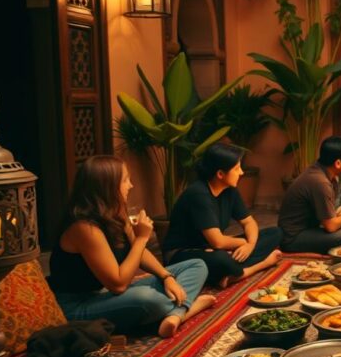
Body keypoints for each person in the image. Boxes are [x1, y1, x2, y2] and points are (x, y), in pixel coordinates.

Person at [48, 156, 214, 339]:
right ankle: (186, 309)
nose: (131, 185)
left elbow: (140, 254)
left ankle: (176, 314)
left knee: (197, 265)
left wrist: (167, 277)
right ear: (108, 187)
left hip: (104, 293)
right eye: (125, 180)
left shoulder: (115, 212)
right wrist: (142, 238)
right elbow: (118, 285)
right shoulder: (85, 228)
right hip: (78, 306)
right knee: (148, 298)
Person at [163, 144, 283, 288]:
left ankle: (229, 272)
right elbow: (218, 242)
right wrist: (242, 244)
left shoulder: (229, 190)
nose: (242, 173)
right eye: (237, 168)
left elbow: (249, 223)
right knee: (222, 259)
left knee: (275, 233)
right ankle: (258, 265)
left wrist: (250, 245)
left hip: (212, 248)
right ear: (220, 174)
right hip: (183, 254)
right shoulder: (199, 194)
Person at [278, 136, 341, 254]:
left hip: (313, 229)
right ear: (338, 163)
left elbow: (329, 215)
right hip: (293, 238)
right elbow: (331, 226)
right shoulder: (320, 182)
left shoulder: (323, 171)